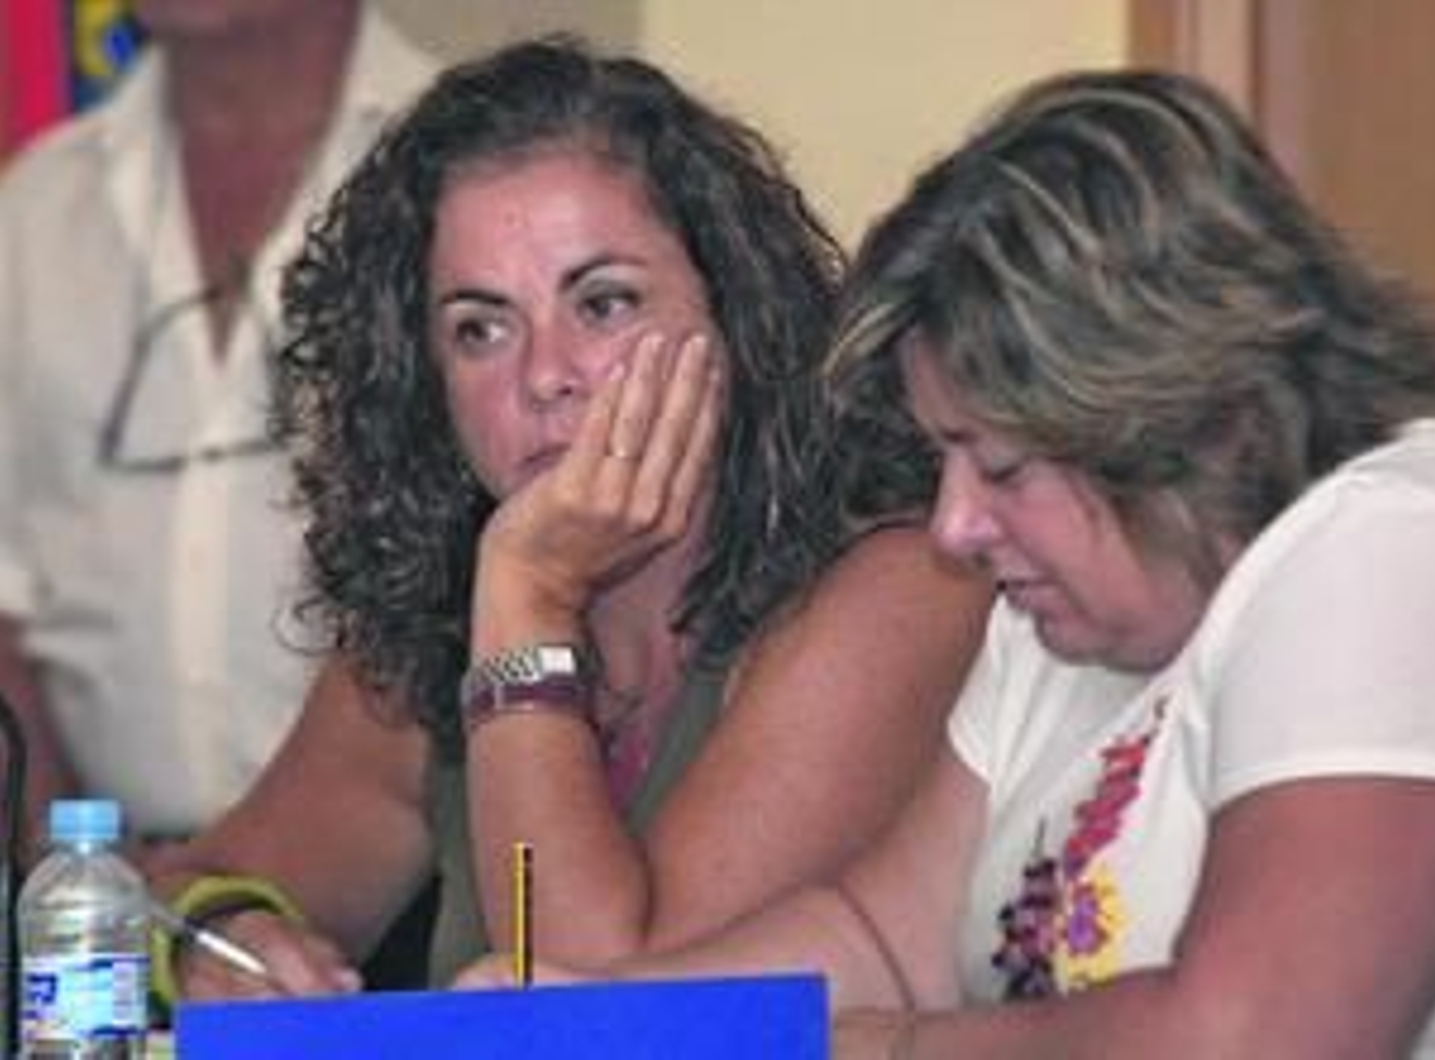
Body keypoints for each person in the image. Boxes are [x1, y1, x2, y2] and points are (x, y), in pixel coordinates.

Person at [463, 69, 1435, 1058]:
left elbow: (1249, 1040)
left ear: (1194, 425)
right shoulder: (1052, 626)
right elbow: (883, 939)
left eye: (1000, 467)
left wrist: (872, 1053)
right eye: (946, 459)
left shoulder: (1408, 545)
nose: (953, 527)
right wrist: (598, 1020)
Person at [146, 36, 990, 999]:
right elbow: (166, 886)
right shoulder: (436, 615)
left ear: (737, 317)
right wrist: (216, 933)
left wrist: (529, 599)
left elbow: (596, 1002)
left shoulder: (902, 580)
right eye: (480, 328)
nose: (545, 374)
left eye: (603, 303)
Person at [0, 0, 437, 858]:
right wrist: (71, 867)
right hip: (100, 896)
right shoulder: (34, 210)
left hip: (414, 889)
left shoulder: (461, 162)